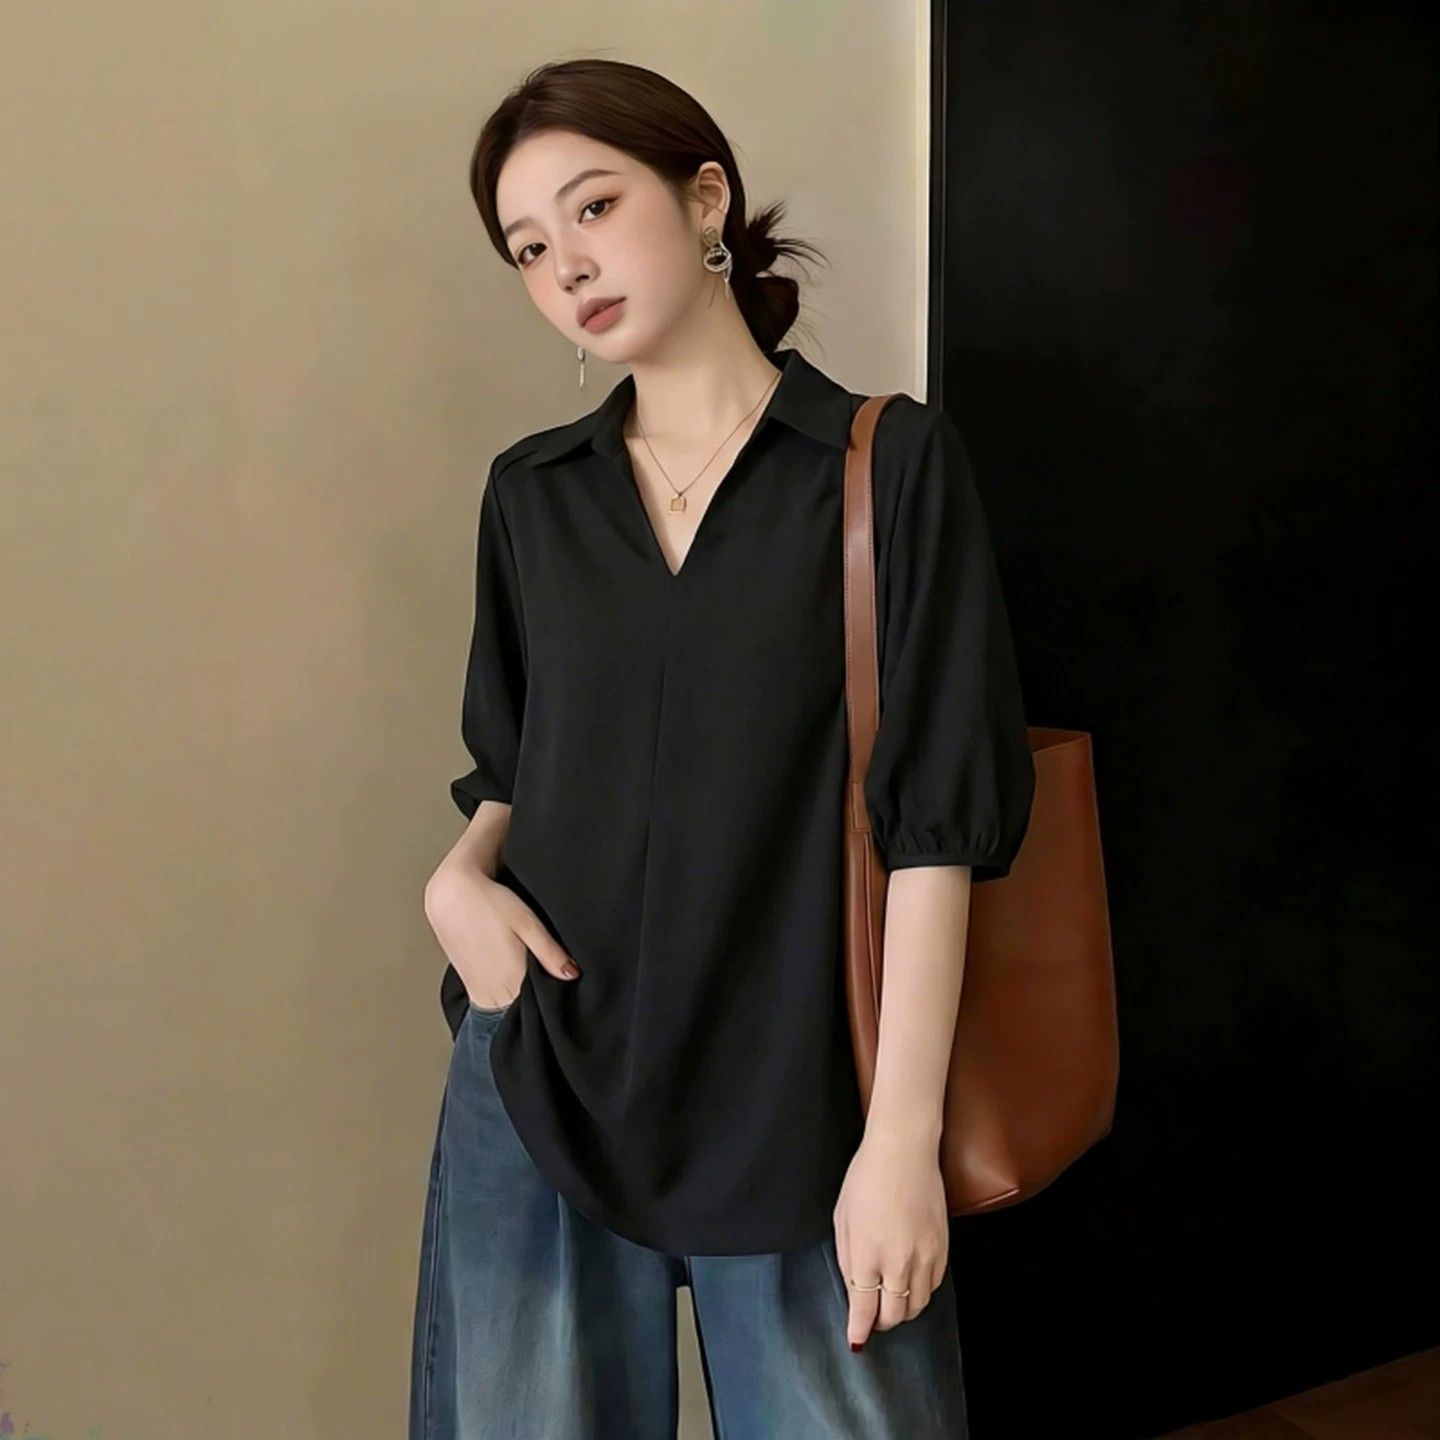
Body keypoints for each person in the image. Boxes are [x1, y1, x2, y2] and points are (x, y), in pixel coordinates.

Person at [409, 57, 1036, 1439]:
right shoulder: (534, 495)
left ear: (706, 200)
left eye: (593, 207)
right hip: (548, 1072)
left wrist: (901, 1142)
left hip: (804, 1099)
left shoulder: (885, 467)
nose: (567, 266)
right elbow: (512, 763)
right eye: (528, 247)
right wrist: (457, 883)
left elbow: (935, 829)